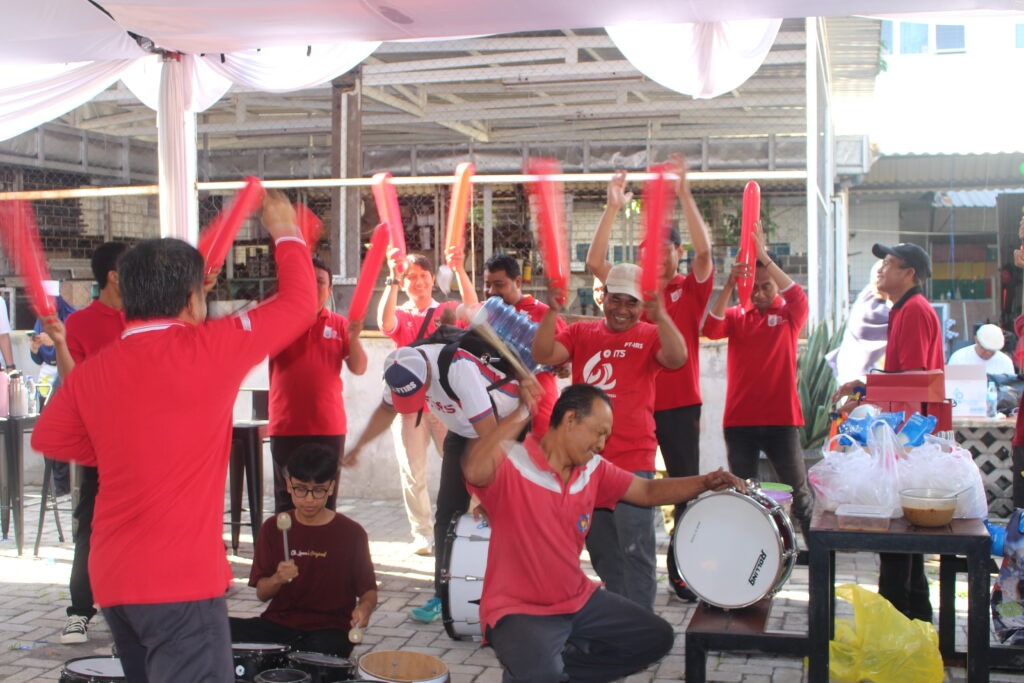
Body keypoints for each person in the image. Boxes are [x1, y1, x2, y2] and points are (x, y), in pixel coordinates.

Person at [32, 191, 318, 682]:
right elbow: (299, 303)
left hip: (115, 580)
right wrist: (285, 230)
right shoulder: (210, 348)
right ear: (191, 300)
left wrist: (127, 445)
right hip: (178, 583)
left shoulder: (94, 370)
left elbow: (52, 438)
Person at [462, 383, 746, 683]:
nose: (601, 444)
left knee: (656, 637)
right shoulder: (513, 462)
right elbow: (474, 470)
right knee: (542, 674)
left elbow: (647, 490)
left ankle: (559, 671)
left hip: (577, 600)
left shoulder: (593, 471)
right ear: (570, 419)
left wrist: (706, 482)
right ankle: (544, 669)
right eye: (598, 433)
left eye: (606, 437)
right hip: (518, 609)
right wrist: (521, 410)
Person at [585, 156, 713, 600]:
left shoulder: (689, 288)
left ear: (678, 253)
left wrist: (685, 194)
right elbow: (595, 261)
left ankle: (685, 573)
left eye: (665, 250)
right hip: (632, 410)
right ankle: (621, 577)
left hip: (678, 405)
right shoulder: (632, 292)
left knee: (683, 490)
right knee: (622, 492)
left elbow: (706, 254)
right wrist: (612, 207)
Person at [532, 262, 686, 610]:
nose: (622, 309)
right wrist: (552, 309)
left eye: (632, 302)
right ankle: (619, 618)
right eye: (616, 299)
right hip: (586, 464)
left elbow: (677, 358)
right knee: (602, 551)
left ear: (642, 305)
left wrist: (661, 316)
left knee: (636, 550)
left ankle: (641, 625)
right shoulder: (581, 333)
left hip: (633, 462)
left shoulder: (649, 335)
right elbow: (542, 354)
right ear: (602, 297)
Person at [344, 336, 524, 624]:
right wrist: (358, 446)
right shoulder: (400, 368)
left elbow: (490, 437)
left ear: (427, 373)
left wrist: (490, 493)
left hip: (504, 426)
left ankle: (515, 593)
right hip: (464, 430)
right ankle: (443, 594)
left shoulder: (458, 369)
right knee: (447, 514)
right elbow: (386, 411)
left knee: (510, 511)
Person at [833, 241, 943, 623]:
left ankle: (898, 622)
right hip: (904, 433)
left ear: (909, 273)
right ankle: (915, 622)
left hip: (909, 437)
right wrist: (864, 389)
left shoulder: (913, 310)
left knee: (898, 536)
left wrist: (866, 397)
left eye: (889, 264)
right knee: (903, 539)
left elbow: (914, 382)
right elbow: (902, 377)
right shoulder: (902, 309)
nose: (880, 271)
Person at [40, 242, 127, 645]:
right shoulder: (80, 323)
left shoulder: (145, 316)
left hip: (144, 441)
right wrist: (60, 344)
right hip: (100, 443)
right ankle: (80, 611)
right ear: (113, 275)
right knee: (90, 524)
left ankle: (135, 606)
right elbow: (72, 381)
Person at [702, 227, 813, 543]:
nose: (760, 293)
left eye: (766, 286)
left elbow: (798, 296)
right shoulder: (737, 317)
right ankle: (750, 551)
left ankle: (817, 555)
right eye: (753, 288)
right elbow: (710, 328)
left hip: (782, 421)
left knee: (798, 492)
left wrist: (762, 255)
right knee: (744, 494)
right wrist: (729, 284)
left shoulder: (789, 315)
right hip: (740, 423)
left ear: (775, 286)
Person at [229, 443, 377, 657]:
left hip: (330, 630)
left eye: (318, 490)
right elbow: (262, 594)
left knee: (316, 653)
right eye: (300, 489)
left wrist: (365, 608)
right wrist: (278, 579)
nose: (309, 499)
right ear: (288, 485)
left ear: (331, 488)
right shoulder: (272, 528)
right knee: (218, 629)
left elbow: (368, 591)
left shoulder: (352, 533)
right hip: (279, 624)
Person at [378, 249, 479, 557]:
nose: (418, 282)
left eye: (423, 276)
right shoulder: (402, 314)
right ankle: (422, 534)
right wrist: (391, 278)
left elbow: (473, 308)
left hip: (444, 403)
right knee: (412, 471)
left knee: (464, 466)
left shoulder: (446, 310)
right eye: (411, 277)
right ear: (404, 282)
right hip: (409, 407)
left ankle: (470, 523)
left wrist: (460, 270)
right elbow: (384, 322)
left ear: (433, 279)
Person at [269, 257, 367, 513]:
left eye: (320, 282)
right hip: (286, 426)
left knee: (325, 500)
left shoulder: (339, 325)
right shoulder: (279, 322)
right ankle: (288, 541)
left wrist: (354, 338)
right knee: (287, 500)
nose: (313, 286)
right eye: (306, 280)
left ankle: (321, 542)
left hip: (327, 426)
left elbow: (359, 368)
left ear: (329, 289)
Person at [483, 253, 567, 436]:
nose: (491, 291)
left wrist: (564, 366)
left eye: (499, 285)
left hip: (537, 406)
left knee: (538, 449)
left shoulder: (544, 314)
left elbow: (566, 356)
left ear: (518, 282)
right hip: (496, 407)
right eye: (487, 284)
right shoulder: (484, 314)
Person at [825, 261, 890, 385]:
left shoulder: (866, 296)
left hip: (852, 377)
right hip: (858, 382)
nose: (879, 279)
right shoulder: (871, 309)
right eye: (878, 276)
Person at [947, 323, 1015, 375]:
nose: (988, 353)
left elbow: (1010, 387)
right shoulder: (959, 358)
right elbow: (950, 385)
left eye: (992, 350)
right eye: (984, 348)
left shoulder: (1005, 362)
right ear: (976, 340)